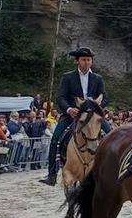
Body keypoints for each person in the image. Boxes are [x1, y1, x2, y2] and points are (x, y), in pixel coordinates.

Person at [40, 48, 107, 186]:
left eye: (89, 60)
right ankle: (52, 174)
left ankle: (112, 170)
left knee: (112, 133)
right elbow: (61, 97)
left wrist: (96, 106)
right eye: (83, 60)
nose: (86, 62)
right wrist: (69, 109)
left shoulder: (98, 78)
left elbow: (105, 97)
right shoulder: (68, 77)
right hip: (73, 114)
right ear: (77, 61)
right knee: (55, 140)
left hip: (92, 115)